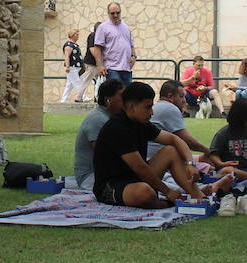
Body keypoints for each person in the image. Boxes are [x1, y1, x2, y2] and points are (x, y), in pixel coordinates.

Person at [91, 81, 230, 209]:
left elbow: (175, 140)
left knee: (171, 151)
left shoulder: (140, 122)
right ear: (132, 107)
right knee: (145, 193)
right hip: (111, 186)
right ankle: (168, 203)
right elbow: (140, 168)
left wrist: (190, 164)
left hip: (135, 178)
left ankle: (198, 196)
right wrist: (167, 191)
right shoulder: (117, 128)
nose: (152, 113)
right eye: (148, 107)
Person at [208, 97, 247, 217]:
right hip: (232, 170)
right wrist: (223, 164)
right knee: (227, 171)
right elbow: (213, 155)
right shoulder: (224, 133)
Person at [72, 78, 124, 192]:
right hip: (90, 178)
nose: (124, 101)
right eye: (121, 97)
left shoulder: (108, 117)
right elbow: (104, 154)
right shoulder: (98, 120)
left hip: (102, 175)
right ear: (108, 100)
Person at [147, 80, 213, 160]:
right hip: (156, 161)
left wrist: (199, 158)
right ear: (170, 97)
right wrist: (208, 151)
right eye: (181, 96)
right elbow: (188, 141)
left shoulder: (159, 106)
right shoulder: (169, 108)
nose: (184, 101)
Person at [94, 2, 136, 84]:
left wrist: (134, 56)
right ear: (108, 13)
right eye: (112, 13)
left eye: (118, 12)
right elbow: (97, 48)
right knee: (115, 94)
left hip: (126, 68)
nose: (115, 15)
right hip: (111, 68)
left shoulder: (126, 27)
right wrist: (99, 65)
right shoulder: (103, 27)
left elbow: (131, 45)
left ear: (121, 12)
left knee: (127, 95)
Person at [59, 30, 86, 102]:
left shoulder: (74, 45)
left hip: (77, 67)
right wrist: (67, 66)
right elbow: (67, 56)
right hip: (72, 67)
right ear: (72, 35)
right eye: (77, 35)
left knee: (69, 84)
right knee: (77, 82)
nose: (78, 36)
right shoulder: (69, 45)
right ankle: (83, 96)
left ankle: (63, 100)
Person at [78, 22, 103, 98]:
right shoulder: (93, 35)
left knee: (100, 81)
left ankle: (97, 97)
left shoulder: (98, 37)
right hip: (91, 63)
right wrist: (99, 61)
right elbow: (92, 49)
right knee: (86, 80)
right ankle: (79, 97)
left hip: (96, 63)